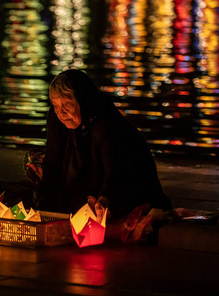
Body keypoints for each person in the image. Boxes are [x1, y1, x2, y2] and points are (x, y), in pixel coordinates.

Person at [26, 69, 172, 225]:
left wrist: (107, 199)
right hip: (83, 188)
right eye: (55, 105)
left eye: (67, 104)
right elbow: (53, 161)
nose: (61, 112)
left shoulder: (106, 124)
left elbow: (116, 169)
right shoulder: (56, 118)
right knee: (34, 160)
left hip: (119, 191)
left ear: (82, 100)